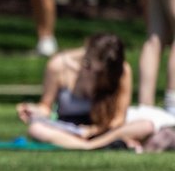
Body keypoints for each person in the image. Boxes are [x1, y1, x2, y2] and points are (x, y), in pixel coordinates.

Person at [18, 32, 169, 150]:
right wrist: (34, 111)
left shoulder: (122, 71)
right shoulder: (59, 66)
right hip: (70, 129)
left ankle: (91, 145)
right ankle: (91, 146)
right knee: (36, 129)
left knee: (146, 126)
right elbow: (46, 107)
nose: (94, 75)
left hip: (105, 129)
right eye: (91, 68)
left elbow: (118, 119)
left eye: (100, 73)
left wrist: (95, 130)